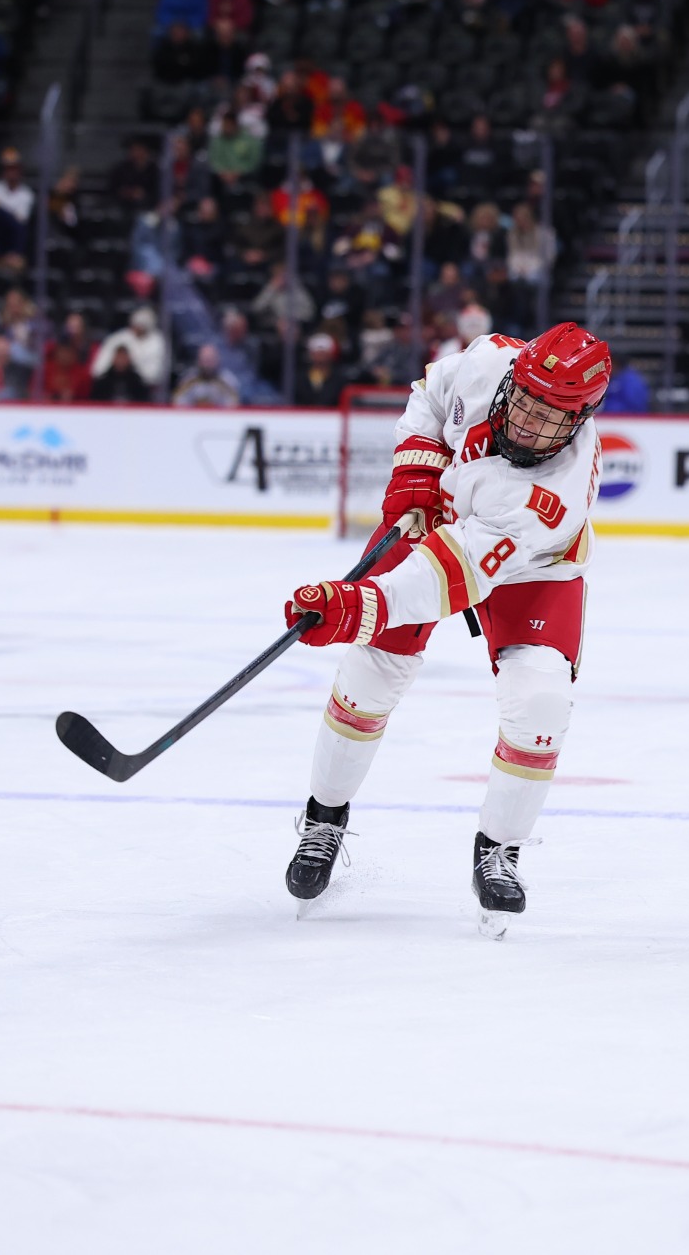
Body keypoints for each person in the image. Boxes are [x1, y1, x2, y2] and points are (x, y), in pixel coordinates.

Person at [280, 322, 613, 935]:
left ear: (582, 420)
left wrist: (356, 605)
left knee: (540, 701)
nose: (530, 426)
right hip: (442, 528)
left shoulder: (554, 492)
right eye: (528, 405)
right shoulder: (488, 359)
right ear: (515, 378)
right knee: (368, 674)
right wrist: (415, 478)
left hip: (532, 566)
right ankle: (324, 819)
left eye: (551, 419)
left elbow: (446, 577)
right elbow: (431, 395)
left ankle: (499, 850)